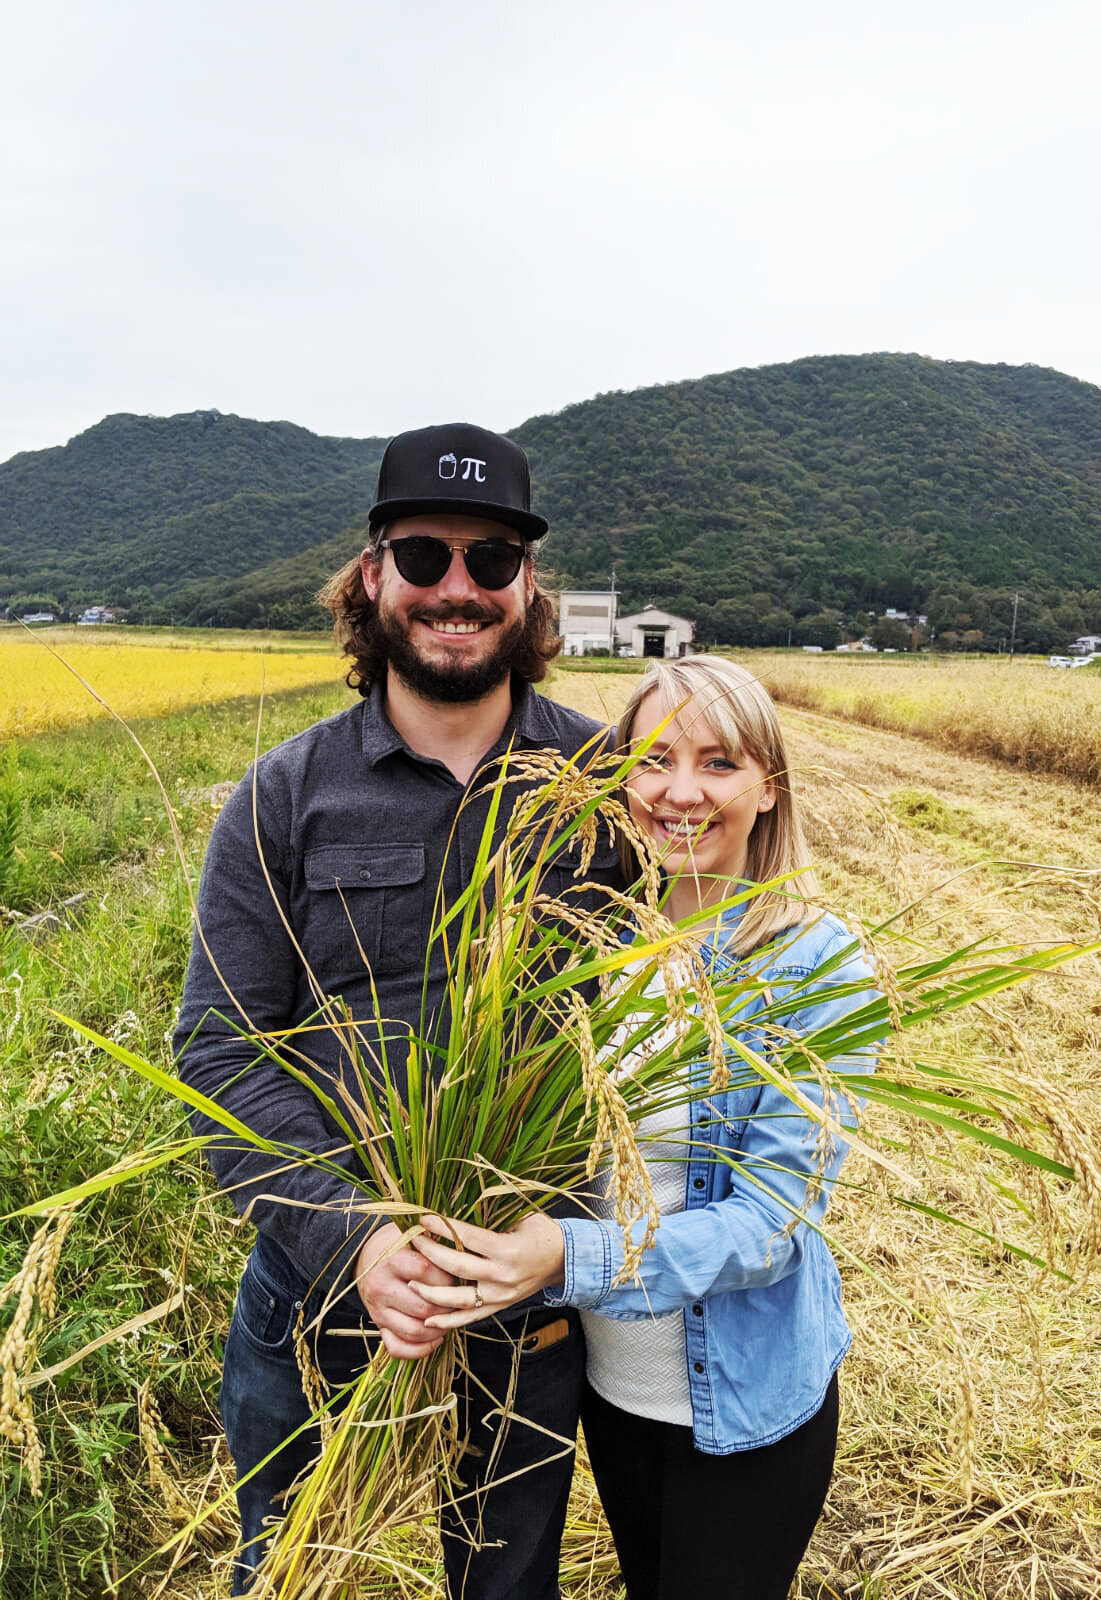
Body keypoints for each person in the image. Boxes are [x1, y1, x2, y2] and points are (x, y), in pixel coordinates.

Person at [173, 422, 622, 1599]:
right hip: (319, 1290)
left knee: (506, 1585)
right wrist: (357, 1236)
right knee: (292, 1569)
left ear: (531, 590)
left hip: (522, 1296)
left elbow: (683, 1009)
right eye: (423, 557)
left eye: (492, 561)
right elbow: (217, 1046)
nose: (457, 590)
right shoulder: (285, 793)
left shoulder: (607, 788)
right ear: (372, 577)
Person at [409, 654, 879, 1600]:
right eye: (654, 760)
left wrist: (563, 1258)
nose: (679, 792)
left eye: (718, 763)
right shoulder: (596, 940)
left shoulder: (815, 964)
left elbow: (772, 1226)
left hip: (738, 1406)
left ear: (767, 786)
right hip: (613, 1391)